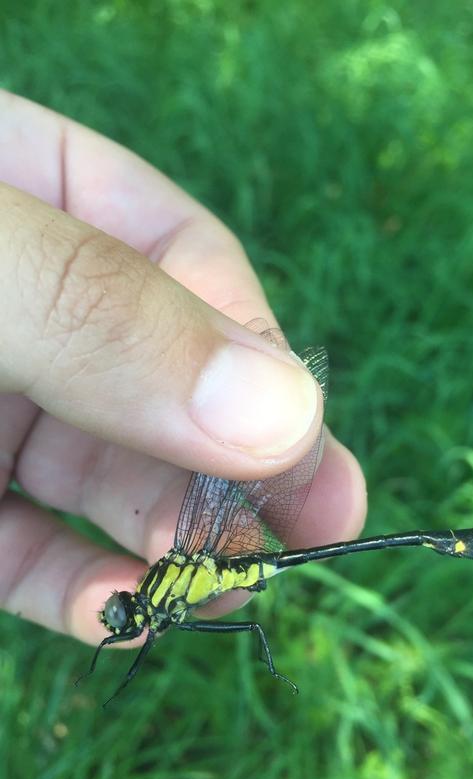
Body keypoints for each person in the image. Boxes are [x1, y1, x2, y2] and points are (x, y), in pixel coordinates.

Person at [0, 90, 367, 648]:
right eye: (123, 611)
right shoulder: (164, 590)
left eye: (121, 610)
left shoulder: (166, 587)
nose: (121, 612)